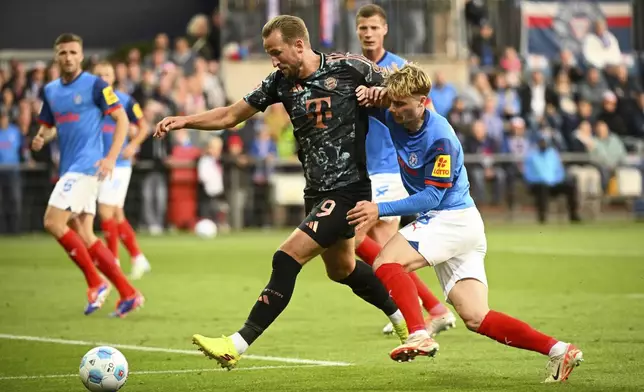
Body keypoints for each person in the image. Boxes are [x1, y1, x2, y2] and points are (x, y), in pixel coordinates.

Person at [154, 15, 407, 370]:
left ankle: (236, 343)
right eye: (270, 54)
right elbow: (230, 115)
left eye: (276, 52)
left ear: (299, 45)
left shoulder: (351, 67)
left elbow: (410, 90)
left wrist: (384, 94)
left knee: (286, 257)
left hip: (349, 189)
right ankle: (405, 322)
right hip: (317, 191)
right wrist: (185, 120)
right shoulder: (279, 82)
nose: (273, 60)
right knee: (343, 269)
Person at [348, 63, 583, 382]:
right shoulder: (395, 112)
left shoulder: (440, 138)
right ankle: (559, 350)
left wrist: (379, 208)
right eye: (393, 102)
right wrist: (370, 93)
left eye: (402, 103)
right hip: (462, 224)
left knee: (386, 263)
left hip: (451, 218)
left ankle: (418, 333)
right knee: (476, 317)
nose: (395, 109)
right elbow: (374, 102)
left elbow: (432, 197)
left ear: (423, 101)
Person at [353, 3, 456, 337]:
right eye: (362, 28)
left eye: (373, 27)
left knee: (365, 243)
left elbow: (429, 113)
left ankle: (415, 312)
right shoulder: (352, 67)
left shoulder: (398, 69)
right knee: (375, 247)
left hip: (388, 168)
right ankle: (431, 309)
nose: (368, 33)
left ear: (385, 29)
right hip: (362, 167)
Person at [32, 33, 144, 317]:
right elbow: (47, 125)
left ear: (81, 56)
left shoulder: (96, 85)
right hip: (69, 167)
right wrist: (40, 137)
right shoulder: (51, 91)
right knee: (84, 232)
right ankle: (128, 293)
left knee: (52, 221)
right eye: (63, 52)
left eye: (73, 52)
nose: (68, 57)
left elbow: (121, 118)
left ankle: (95, 282)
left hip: (88, 166)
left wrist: (110, 157)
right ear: (56, 56)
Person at [92, 61, 152, 279]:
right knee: (117, 213)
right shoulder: (91, 101)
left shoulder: (125, 100)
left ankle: (113, 262)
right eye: (99, 74)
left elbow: (144, 127)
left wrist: (134, 145)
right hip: (99, 163)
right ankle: (138, 257)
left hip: (119, 165)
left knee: (105, 211)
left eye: (107, 74)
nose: (104, 78)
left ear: (113, 77)